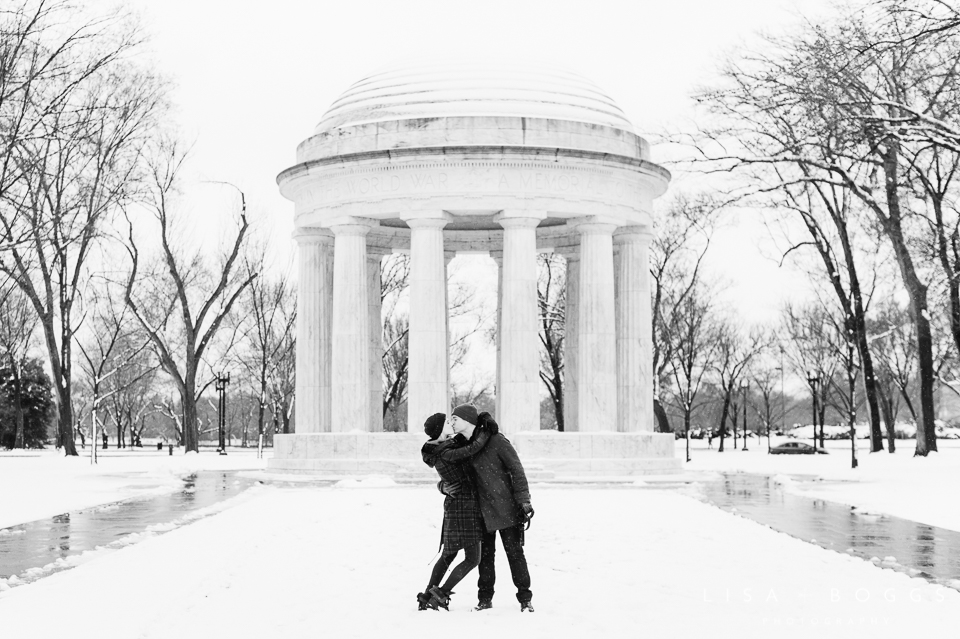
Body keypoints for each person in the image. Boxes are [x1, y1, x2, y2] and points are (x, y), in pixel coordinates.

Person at [449, 403, 535, 613]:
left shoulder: (496, 440)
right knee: (485, 557)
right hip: (479, 511)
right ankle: (485, 599)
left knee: (515, 553)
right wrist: (444, 486)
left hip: (506, 508)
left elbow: (516, 469)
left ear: (468, 420)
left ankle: (525, 598)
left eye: (454, 418)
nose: (450, 422)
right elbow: (449, 474)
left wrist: (524, 500)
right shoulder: (461, 447)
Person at [417, 412, 495, 611]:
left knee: (448, 554)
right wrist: (486, 431)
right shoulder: (446, 452)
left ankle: (427, 596)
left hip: (457, 506)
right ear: (438, 430)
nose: (450, 423)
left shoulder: (440, 448)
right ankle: (439, 595)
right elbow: (473, 448)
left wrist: (442, 486)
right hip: (465, 507)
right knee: (472, 558)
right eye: (447, 421)